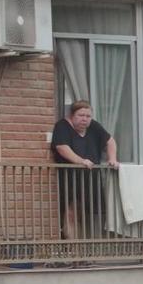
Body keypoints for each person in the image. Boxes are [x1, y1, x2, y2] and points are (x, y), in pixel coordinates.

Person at [51, 101, 117, 240]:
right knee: (71, 213)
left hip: (91, 178)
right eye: (81, 115)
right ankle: (73, 248)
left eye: (88, 116)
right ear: (72, 115)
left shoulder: (93, 126)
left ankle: (88, 246)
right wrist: (81, 161)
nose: (85, 119)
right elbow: (62, 148)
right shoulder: (62, 126)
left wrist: (112, 159)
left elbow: (110, 141)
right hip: (70, 178)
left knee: (88, 213)